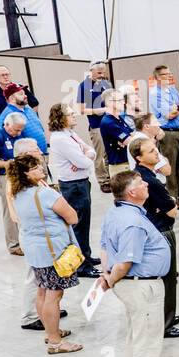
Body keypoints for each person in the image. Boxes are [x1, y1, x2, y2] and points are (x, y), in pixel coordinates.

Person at [98, 170, 178, 357]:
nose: (146, 184)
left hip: (133, 284)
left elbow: (104, 246)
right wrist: (111, 279)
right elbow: (125, 262)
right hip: (141, 285)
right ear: (132, 192)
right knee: (148, 342)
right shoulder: (132, 223)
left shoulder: (117, 213)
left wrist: (106, 273)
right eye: (141, 183)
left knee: (136, 336)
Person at [9, 153, 81, 354]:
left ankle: (50, 332)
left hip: (35, 251)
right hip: (53, 251)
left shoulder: (18, 194)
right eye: (35, 168)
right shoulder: (46, 194)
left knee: (42, 291)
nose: (42, 169)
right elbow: (73, 217)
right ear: (26, 174)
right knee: (54, 295)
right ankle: (56, 342)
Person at [128, 135, 179, 339]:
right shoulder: (150, 181)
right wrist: (167, 203)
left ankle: (164, 316)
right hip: (161, 232)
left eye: (156, 149)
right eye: (152, 151)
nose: (157, 153)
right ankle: (166, 323)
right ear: (139, 157)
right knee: (168, 278)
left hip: (153, 229)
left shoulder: (142, 176)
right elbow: (172, 211)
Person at [47, 103, 101, 277]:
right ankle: (81, 266)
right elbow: (84, 162)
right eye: (70, 114)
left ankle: (86, 255)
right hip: (74, 186)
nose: (74, 116)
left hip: (81, 182)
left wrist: (86, 155)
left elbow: (90, 151)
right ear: (61, 118)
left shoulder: (70, 133)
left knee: (85, 223)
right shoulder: (60, 138)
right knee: (79, 225)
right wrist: (86, 157)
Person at [0, 112, 28, 254]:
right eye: (16, 130)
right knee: (10, 210)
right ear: (7, 125)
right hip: (5, 177)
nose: (18, 133)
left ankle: (23, 240)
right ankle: (13, 245)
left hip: (19, 175)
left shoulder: (18, 134)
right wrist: (5, 164)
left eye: (20, 130)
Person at [149, 64, 179, 206]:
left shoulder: (172, 90)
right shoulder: (155, 94)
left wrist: (178, 108)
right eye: (165, 74)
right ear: (157, 77)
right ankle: (172, 196)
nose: (169, 76)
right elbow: (169, 115)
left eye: (169, 73)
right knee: (170, 166)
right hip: (168, 133)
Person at [77, 62, 112, 192]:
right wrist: (96, 110)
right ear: (91, 71)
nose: (102, 75)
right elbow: (81, 109)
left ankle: (112, 176)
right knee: (100, 154)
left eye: (103, 72)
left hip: (109, 122)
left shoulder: (105, 84)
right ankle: (103, 180)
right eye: (99, 73)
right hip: (96, 125)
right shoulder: (84, 86)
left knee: (110, 152)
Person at [0, 83, 47, 153]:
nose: (25, 96)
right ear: (12, 99)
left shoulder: (27, 108)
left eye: (24, 93)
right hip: (27, 157)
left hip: (41, 152)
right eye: (21, 94)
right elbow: (4, 140)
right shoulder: (7, 115)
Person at [99, 90, 135, 180]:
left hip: (126, 161)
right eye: (120, 100)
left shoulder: (118, 118)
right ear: (110, 102)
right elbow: (131, 141)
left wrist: (129, 138)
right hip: (120, 166)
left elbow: (133, 134)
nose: (124, 103)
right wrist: (128, 139)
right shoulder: (108, 122)